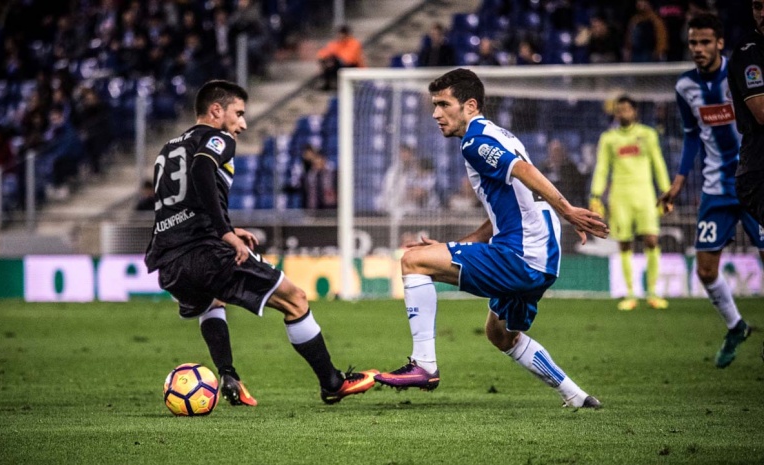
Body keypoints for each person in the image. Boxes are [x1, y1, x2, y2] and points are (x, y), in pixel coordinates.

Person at [374, 69, 609, 409]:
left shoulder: (474, 141)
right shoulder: (501, 135)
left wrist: (567, 209)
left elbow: (526, 173)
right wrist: (466, 242)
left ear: (470, 105)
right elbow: (510, 201)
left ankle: (423, 364)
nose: (436, 114)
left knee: (413, 261)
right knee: (500, 334)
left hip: (522, 256)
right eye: (434, 106)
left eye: (443, 104)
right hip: (543, 259)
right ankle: (576, 395)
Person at [144, 80, 377, 406]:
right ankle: (332, 382)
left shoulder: (168, 149)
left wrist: (224, 227)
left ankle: (228, 374)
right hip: (205, 252)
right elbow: (200, 169)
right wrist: (224, 232)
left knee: (212, 302)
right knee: (295, 300)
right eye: (238, 114)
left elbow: (180, 203)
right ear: (216, 110)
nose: (243, 124)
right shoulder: (218, 137)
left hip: (168, 260)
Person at [659, 12, 763, 368]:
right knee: (705, 269)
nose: (698, 49)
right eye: (693, 43)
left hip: (753, 180)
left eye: (705, 42)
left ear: (720, 43)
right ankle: (736, 326)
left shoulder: (741, 72)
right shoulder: (684, 87)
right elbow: (691, 137)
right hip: (717, 188)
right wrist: (678, 183)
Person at [589, 95, 671, 311]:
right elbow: (602, 168)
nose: (622, 113)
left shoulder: (647, 134)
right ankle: (630, 293)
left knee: (651, 240)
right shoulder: (609, 138)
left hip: (645, 194)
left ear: (635, 111)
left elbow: (658, 163)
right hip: (620, 196)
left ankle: (653, 292)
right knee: (624, 242)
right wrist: (596, 195)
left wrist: (666, 192)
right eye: (619, 110)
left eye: (626, 109)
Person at [728, 0, 764, 228]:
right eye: (757, 6)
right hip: (760, 169)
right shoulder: (748, 53)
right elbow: (762, 112)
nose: (763, 13)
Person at [316, 24, 365, 91]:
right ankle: (327, 84)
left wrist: (336, 57)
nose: (339, 36)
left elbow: (349, 59)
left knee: (335, 61)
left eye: (341, 34)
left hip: (352, 66)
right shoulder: (336, 43)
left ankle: (337, 84)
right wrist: (324, 58)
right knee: (327, 61)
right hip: (338, 64)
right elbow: (325, 52)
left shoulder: (354, 43)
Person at [540, 138, 587, 205]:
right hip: (549, 204)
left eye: (558, 151)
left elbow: (579, 189)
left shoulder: (571, 168)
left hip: (568, 204)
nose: (556, 154)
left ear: (563, 152)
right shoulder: (544, 168)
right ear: (549, 152)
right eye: (554, 151)